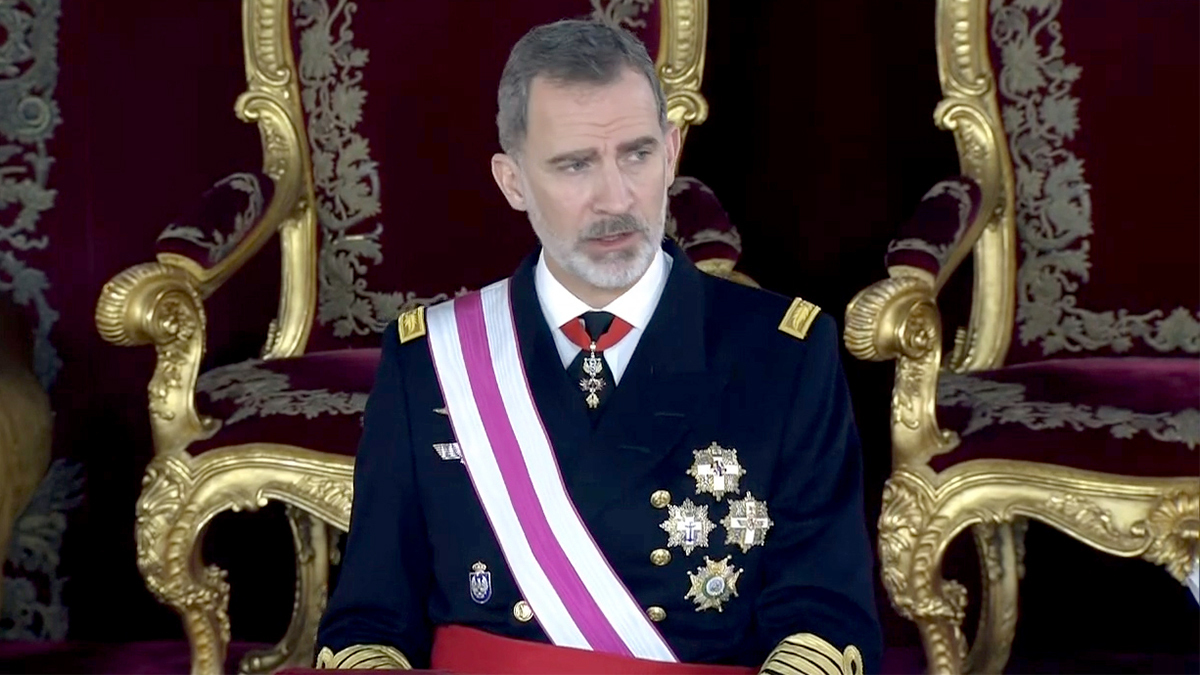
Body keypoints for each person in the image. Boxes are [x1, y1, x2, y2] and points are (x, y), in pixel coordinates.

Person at [315, 18, 881, 674]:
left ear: (671, 151)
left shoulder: (783, 354)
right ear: (512, 181)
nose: (615, 198)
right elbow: (371, 618)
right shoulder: (431, 363)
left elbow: (823, 615)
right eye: (575, 164)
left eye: (637, 154)